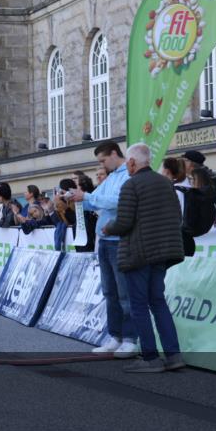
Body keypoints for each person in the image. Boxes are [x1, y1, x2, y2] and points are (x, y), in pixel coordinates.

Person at [103, 143, 186, 373]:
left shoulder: (131, 185)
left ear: (131, 162)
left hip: (138, 254)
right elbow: (177, 218)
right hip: (163, 253)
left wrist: (109, 228)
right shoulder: (166, 184)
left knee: (139, 305)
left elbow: (125, 222)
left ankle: (150, 357)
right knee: (158, 302)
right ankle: (173, 354)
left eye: (128, 163)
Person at [71, 141, 138, 358]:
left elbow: (117, 201)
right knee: (110, 292)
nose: (102, 165)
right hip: (106, 240)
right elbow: (96, 202)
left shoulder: (126, 175)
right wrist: (78, 198)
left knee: (124, 292)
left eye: (103, 160)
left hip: (120, 239)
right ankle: (115, 336)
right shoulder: (111, 177)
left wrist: (88, 197)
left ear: (113, 154)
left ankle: (129, 339)